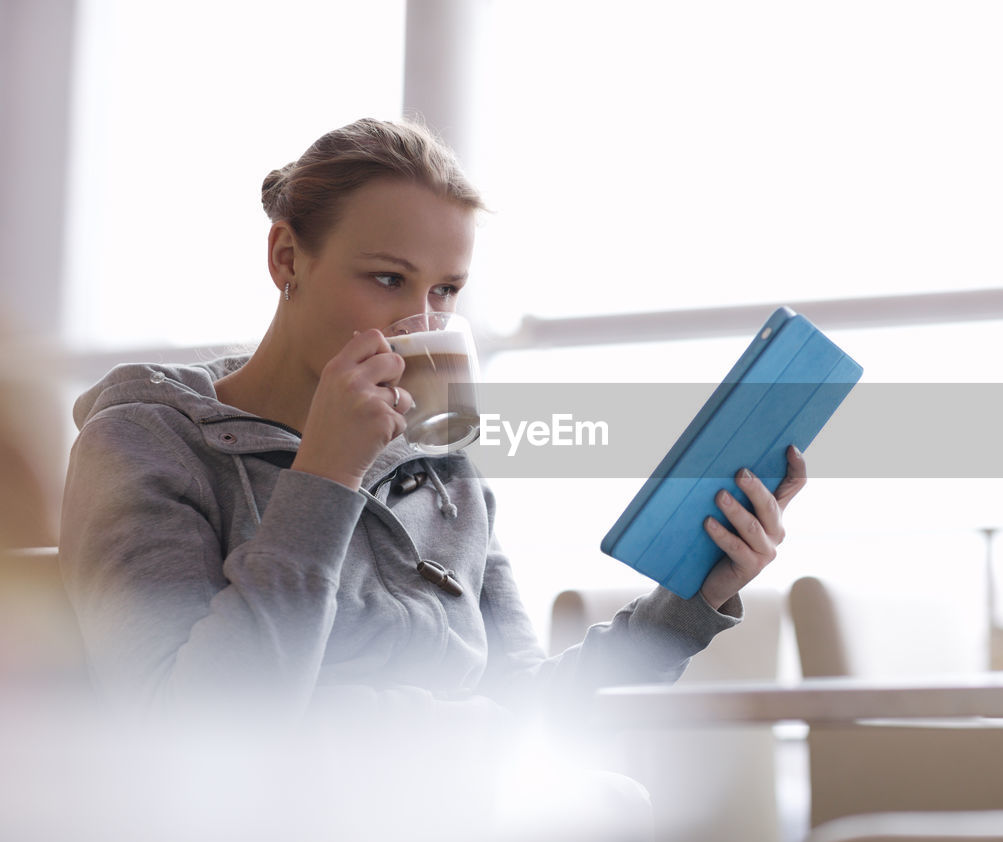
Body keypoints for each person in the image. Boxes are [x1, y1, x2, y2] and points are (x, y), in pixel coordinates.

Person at [59, 118, 806, 727]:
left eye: (445, 291)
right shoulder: (146, 444)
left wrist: (693, 598)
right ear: (288, 258)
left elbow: (527, 707)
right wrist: (326, 475)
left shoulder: (440, 466)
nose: (421, 320)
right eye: (388, 278)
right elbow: (190, 735)